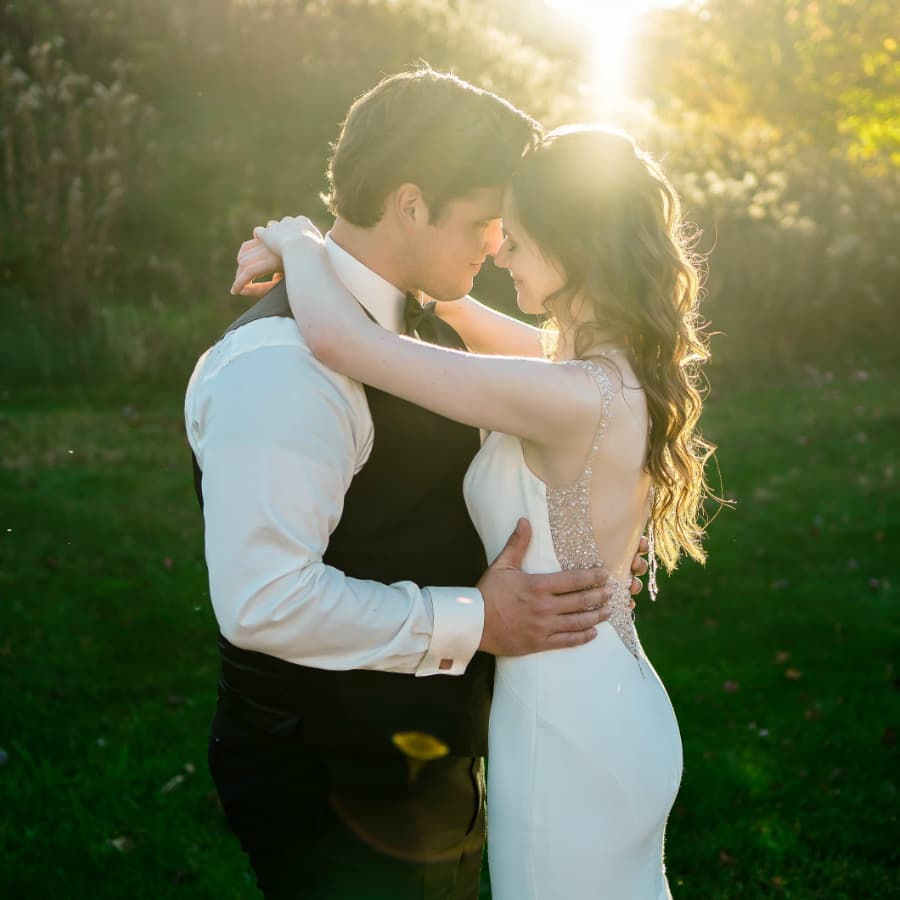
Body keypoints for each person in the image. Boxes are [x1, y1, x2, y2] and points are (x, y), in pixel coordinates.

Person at [186, 69, 648, 900]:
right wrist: (478, 618)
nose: (497, 246)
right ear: (409, 205)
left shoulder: (428, 326)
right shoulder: (284, 369)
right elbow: (263, 602)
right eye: (482, 222)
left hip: (436, 758)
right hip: (333, 778)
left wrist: (583, 549)